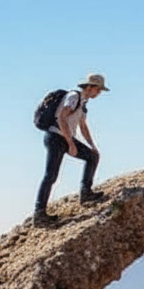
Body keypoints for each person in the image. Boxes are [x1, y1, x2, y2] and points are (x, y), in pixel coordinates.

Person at [34, 73, 110, 227]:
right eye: (98, 89)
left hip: (63, 137)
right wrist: (71, 143)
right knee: (51, 175)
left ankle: (86, 194)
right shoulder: (73, 97)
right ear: (90, 87)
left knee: (92, 157)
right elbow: (62, 117)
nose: (99, 93)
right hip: (56, 137)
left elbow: (83, 126)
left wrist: (92, 146)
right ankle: (39, 214)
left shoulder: (82, 103)